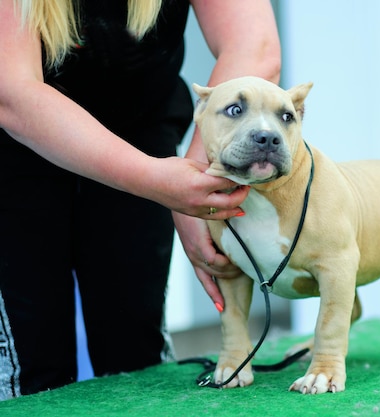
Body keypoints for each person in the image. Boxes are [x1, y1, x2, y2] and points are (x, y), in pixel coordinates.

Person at [0, 0, 281, 399]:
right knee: (29, 370)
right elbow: (12, 90)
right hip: (13, 152)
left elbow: (254, 44)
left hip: (144, 131)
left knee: (136, 351)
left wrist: (200, 180)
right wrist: (161, 183)